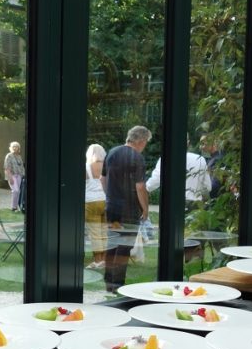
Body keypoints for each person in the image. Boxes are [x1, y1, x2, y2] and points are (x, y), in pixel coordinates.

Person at [102, 125, 151, 292]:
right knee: (125, 246)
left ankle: (108, 281)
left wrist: (110, 196)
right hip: (129, 209)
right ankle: (118, 284)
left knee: (112, 243)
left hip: (112, 206)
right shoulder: (137, 157)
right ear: (142, 141)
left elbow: (102, 178)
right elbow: (140, 187)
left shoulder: (112, 152)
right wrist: (145, 208)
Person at [145, 152, 212, 206]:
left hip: (173, 203)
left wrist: (146, 189)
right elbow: (208, 186)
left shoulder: (166, 158)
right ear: (187, 142)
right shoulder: (200, 159)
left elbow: (157, 179)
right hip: (195, 204)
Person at [84, 143, 107, 270]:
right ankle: (104, 259)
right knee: (104, 232)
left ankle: (98, 260)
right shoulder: (107, 166)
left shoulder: (86, 166)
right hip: (106, 200)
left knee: (95, 232)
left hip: (90, 202)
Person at [3, 142, 25, 212]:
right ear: (11, 148)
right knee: (16, 190)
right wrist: (10, 178)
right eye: (13, 146)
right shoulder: (9, 156)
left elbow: (21, 167)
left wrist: (22, 175)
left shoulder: (19, 156)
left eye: (16, 146)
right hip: (12, 175)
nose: (15, 148)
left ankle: (16, 207)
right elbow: (6, 167)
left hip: (19, 176)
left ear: (19, 148)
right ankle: (13, 207)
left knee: (18, 191)